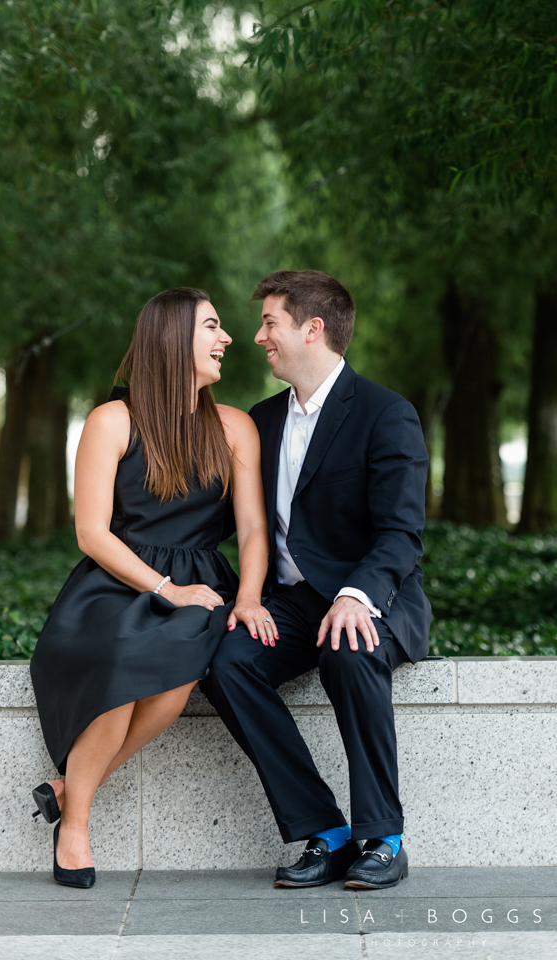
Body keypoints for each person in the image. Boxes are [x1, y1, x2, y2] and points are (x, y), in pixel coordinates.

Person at [30, 287, 276, 888]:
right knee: (119, 670)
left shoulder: (236, 426)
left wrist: (247, 596)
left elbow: (251, 529)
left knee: (168, 690)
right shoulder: (111, 420)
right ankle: (76, 826)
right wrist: (166, 589)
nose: (227, 339)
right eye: (213, 328)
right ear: (172, 340)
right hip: (114, 581)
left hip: (203, 583)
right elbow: (91, 533)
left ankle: (68, 792)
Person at [202, 270, 431, 890]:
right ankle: (325, 831)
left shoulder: (386, 414)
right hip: (290, 604)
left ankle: (383, 836)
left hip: (372, 596)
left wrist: (358, 595)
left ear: (313, 328)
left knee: (349, 647)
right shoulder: (261, 420)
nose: (257, 337)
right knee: (227, 664)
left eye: (269, 322)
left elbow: (401, 533)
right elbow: (231, 520)